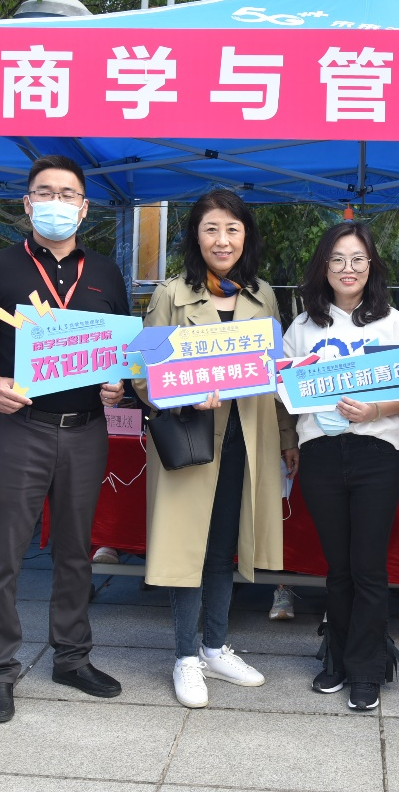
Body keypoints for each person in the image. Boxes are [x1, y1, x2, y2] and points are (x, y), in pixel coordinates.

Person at [0, 155, 129, 724]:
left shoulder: (106, 272)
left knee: (76, 551)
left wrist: (118, 383)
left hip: (86, 430)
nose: (56, 202)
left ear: (83, 208)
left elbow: (119, 351)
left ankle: (72, 657)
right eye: (45, 192)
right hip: (21, 428)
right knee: (4, 553)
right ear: (28, 202)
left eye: (67, 194)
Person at [136, 189, 299, 709]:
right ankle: (186, 656)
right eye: (211, 229)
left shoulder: (262, 295)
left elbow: (274, 374)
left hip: (245, 439)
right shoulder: (171, 294)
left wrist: (287, 436)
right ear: (195, 236)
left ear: (245, 236)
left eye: (232, 229)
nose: (222, 240)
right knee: (188, 544)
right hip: (191, 438)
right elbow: (142, 372)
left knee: (224, 545)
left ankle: (214, 645)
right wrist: (183, 394)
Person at [282, 220, 399, 711]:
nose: (348, 268)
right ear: (323, 266)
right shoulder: (303, 326)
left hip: (376, 453)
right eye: (338, 259)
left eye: (358, 259)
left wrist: (375, 409)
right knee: (338, 568)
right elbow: (286, 391)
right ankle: (337, 660)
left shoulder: (393, 322)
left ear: (371, 266)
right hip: (320, 453)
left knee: (368, 567)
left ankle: (367, 669)